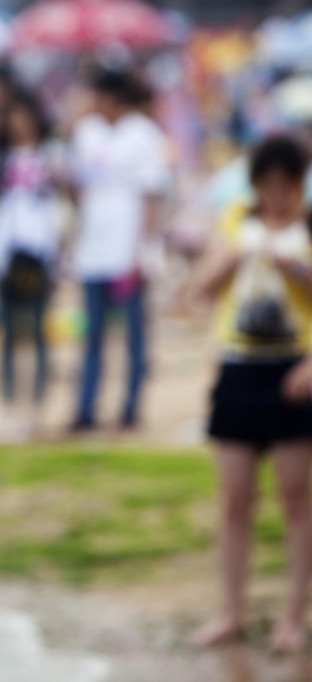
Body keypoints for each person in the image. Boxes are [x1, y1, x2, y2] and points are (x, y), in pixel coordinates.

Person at [192, 134, 312, 652]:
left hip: (294, 370)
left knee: (297, 499)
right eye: (269, 185)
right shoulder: (237, 223)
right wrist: (238, 253)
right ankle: (232, 612)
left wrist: (297, 271)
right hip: (240, 367)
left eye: (288, 186)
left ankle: (292, 617)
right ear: (258, 185)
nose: (278, 196)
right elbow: (200, 287)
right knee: (235, 499)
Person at [67, 69, 170, 431]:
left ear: (112, 98)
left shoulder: (143, 135)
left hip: (127, 252)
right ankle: (86, 408)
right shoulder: (86, 133)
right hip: (93, 251)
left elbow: (152, 196)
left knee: (134, 334)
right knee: (92, 333)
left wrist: (145, 249)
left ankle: (130, 408)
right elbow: (77, 189)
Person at [0, 93, 63, 439]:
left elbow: (63, 201)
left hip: (40, 250)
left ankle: (38, 404)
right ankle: (12, 402)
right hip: (6, 249)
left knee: (40, 329)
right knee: (10, 331)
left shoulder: (52, 157)